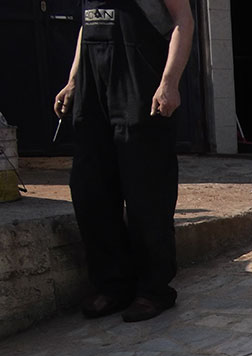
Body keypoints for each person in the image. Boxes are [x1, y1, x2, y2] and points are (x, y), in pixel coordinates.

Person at [53, 0, 194, 322]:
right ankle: (112, 286)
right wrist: (74, 79)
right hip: (93, 91)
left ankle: (153, 289)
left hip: (140, 86)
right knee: (91, 192)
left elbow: (183, 21)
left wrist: (170, 82)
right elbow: (86, 26)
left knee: (147, 193)